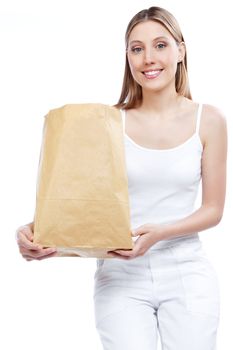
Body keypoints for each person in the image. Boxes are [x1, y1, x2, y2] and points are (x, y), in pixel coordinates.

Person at [16, 6, 227, 350]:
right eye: (136, 48)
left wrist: (161, 233)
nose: (148, 58)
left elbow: (214, 209)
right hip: (120, 274)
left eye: (160, 45)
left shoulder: (209, 120)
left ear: (180, 50)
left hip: (186, 269)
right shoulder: (109, 122)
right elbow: (80, 201)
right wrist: (34, 231)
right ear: (127, 57)